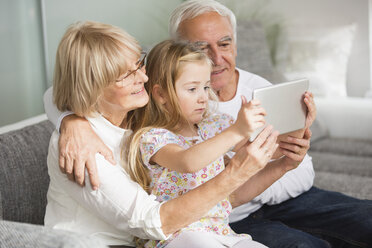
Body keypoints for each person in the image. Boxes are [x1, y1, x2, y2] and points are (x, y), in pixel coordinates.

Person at [44, 20, 281, 247]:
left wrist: (70, 120)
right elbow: (151, 223)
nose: (144, 78)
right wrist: (236, 172)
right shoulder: (81, 151)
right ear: (93, 86)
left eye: (138, 64)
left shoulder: (136, 112)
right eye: (126, 75)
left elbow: (52, 94)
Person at [168, 1, 372, 247]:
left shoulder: (260, 89)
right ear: (177, 51)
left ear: (235, 44)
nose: (216, 58)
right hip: (228, 221)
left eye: (224, 44)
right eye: (200, 48)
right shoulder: (171, 106)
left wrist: (261, 176)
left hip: (287, 202)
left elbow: (303, 172)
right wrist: (255, 174)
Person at [126, 40, 272, 248]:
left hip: (222, 232)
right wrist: (236, 129)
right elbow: (188, 161)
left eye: (205, 87)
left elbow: (257, 147)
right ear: (161, 94)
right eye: (192, 89)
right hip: (178, 234)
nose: (204, 97)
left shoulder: (214, 124)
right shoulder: (153, 137)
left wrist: (295, 130)